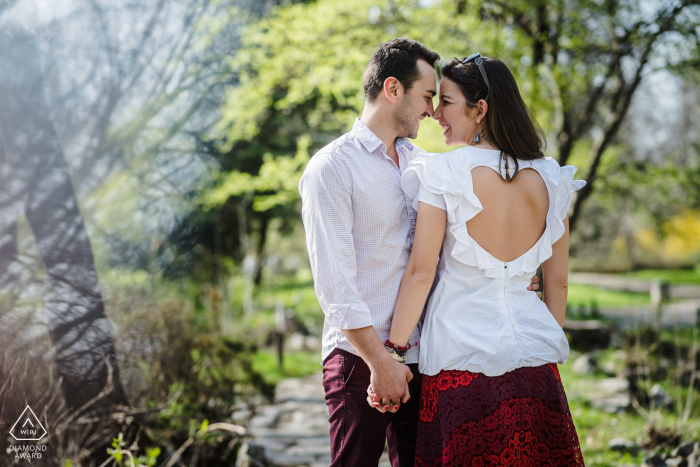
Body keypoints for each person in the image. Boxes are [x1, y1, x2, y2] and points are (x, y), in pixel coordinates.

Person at [299, 40, 541, 467]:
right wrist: (381, 361)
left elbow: (448, 255)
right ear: (393, 89)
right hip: (360, 362)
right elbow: (335, 286)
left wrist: (513, 275)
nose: (433, 111)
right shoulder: (332, 167)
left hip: (426, 358)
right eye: (428, 96)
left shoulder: (426, 165)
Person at [368, 54, 586, 466]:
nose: (434, 113)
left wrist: (394, 353)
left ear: (480, 109)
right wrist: (541, 332)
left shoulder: (444, 172)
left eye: (446, 102)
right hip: (534, 363)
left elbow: (420, 272)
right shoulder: (552, 178)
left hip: (460, 360)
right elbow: (557, 282)